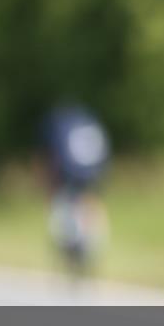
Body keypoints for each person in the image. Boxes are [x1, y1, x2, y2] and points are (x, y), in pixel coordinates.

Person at [41, 105, 111, 271]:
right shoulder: (91, 124)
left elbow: (58, 155)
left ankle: (69, 244)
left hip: (71, 172)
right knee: (90, 204)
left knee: (64, 204)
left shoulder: (63, 125)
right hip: (93, 171)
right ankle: (88, 245)